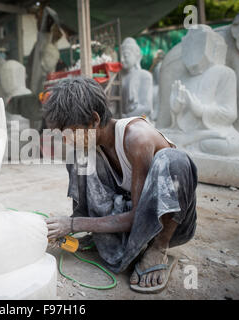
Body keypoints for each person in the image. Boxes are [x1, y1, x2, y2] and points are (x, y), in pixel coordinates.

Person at [43, 77, 197, 293]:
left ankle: (158, 248)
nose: (67, 140)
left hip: (165, 225)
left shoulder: (137, 138)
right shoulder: (91, 148)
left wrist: (74, 224)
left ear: (94, 120)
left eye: (70, 133)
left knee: (174, 160)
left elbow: (140, 217)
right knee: (78, 158)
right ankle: (99, 237)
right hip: (128, 220)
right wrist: (71, 223)